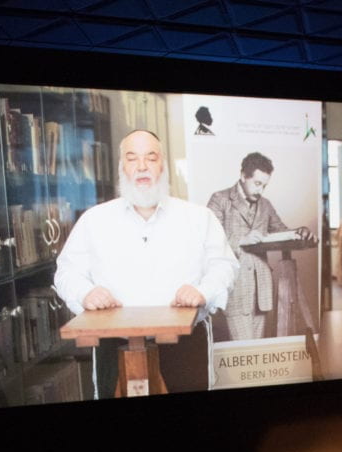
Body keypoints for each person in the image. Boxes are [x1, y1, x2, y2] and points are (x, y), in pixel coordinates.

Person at [54, 129, 238, 393]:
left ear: (163, 165)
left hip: (184, 348)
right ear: (121, 167)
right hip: (113, 346)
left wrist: (202, 291)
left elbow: (225, 266)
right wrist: (86, 293)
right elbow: (66, 273)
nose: (142, 167)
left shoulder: (199, 217)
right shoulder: (94, 220)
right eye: (132, 158)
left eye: (150, 158)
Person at [207, 152, 314, 341]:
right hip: (236, 290)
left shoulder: (265, 205)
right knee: (244, 354)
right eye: (257, 184)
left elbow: (281, 231)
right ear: (243, 176)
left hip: (262, 293)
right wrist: (241, 239)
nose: (261, 190)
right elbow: (209, 241)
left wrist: (301, 231)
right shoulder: (220, 199)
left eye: (264, 185)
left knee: (257, 353)